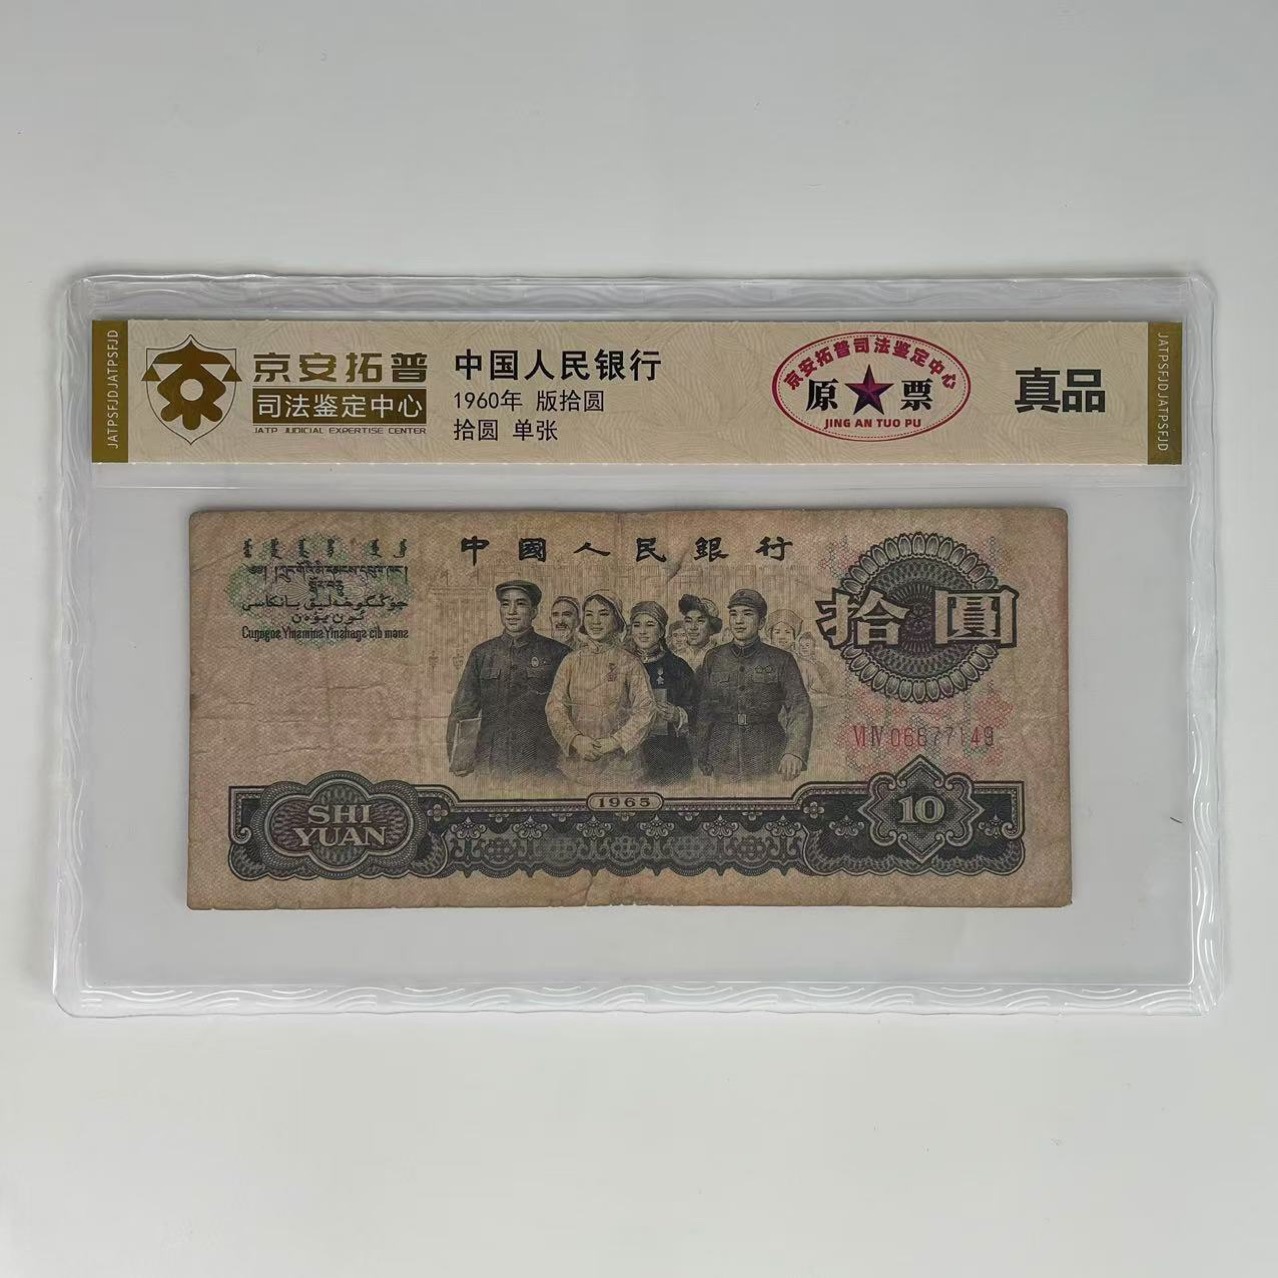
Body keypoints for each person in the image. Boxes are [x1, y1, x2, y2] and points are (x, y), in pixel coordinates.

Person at [447, 580, 570, 778]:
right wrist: (459, 758)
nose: (511, 612)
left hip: (541, 764)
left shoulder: (558, 653)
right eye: (505, 604)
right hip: (490, 764)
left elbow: (571, 712)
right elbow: (463, 710)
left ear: (534, 611)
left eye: (520, 604)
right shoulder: (482, 654)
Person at [695, 588, 812, 782]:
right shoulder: (714, 657)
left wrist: (794, 752)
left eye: (747, 614)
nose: (739, 621)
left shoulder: (781, 659)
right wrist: (702, 753)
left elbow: (800, 707)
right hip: (723, 753)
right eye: (734, 614)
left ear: (761, 623)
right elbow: (705, 710)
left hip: (768, 752)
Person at [545, 590, 656, 784]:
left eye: (603, 614)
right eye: (589, 614)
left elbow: (646, 709)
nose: (595, 621)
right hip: (576, 767)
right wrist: (576, 739)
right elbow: (555, 706)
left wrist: (613, 742)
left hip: (622, 769)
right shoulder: (571, 661)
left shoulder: (630, 663)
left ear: (616, 620)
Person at [625, 600, 697, 783]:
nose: (642, 631)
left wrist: (678, 714)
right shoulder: (620, 665)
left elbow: (699, 710)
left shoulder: (678, 667)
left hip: (668, 756)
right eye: (637, 625)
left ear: (662, 631)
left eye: (650, 625)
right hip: (626, 757)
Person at [678, 594, 723, 671]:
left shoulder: (720, 655)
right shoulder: (677, 656)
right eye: (688, 621)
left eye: (700, 621)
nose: (693, 627)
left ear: (711, 627)